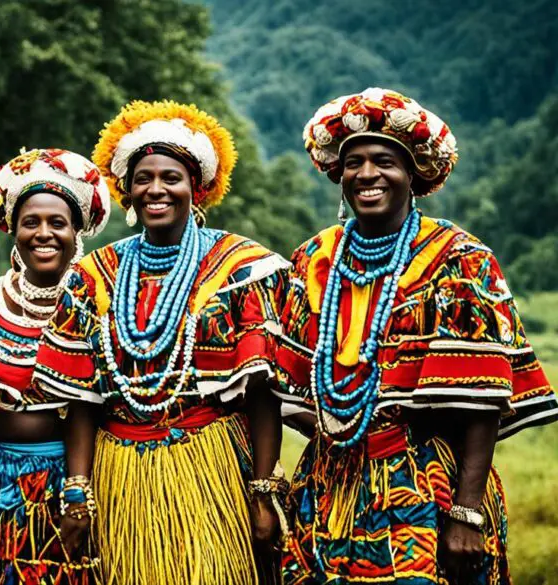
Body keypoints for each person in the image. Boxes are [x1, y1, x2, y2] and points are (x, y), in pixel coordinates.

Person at [276, 87, 558, 584]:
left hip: (431, 486)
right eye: (353, 162)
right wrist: (349, 433)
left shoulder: (459, 259)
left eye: (384, 161)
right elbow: (293, 381)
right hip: (326, 486)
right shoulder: (314, 258)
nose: (366, 174)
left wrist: (466, 513)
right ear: (338, 175)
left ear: (414, 174)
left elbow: (483, 401)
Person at [32, 101, 288, 584]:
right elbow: (83, 399)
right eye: (143, 177)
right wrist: (79, 491)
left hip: (210, 467)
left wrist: (261, 490)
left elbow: (262, 393)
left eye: (170, 177)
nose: (156, 188)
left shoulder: (241, 270)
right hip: (120, 473)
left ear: (198, 187)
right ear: (126, 191)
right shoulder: (94, 276)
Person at [0, 148, 110, 583]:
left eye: (58, 223)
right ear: (13, 231)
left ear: (78, 233)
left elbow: (86, 405)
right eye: (30, 222)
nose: (44, 233)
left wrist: (77, 490)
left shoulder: (97, 308)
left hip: (73, 485)